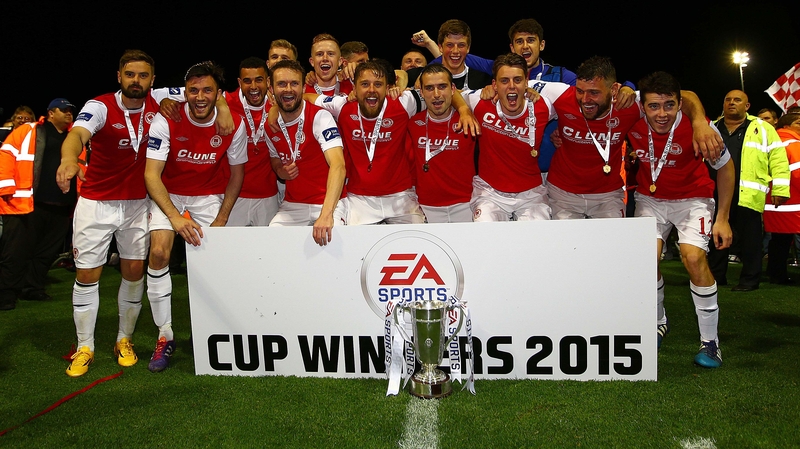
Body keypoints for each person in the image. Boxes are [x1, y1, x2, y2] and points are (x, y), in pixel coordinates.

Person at [55, 50, 189, 376]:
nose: (136, 81)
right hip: (97, 203)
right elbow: (77, 135)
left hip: (138, 203)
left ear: (152, 80)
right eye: (130, 75)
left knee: (133, 272)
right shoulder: (100, 106)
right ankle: (85, 345)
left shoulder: (160, 100)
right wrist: (69, 159)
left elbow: (211, 90)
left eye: (143, 76)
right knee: (87, 275)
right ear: (119, 76)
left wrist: (224, 108)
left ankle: (123, 339)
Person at [144, 61, 248, 372]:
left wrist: (221, 218)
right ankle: (165, 336)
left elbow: (236, 174)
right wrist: (175, 217)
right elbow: (151, 175)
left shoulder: (234, 123)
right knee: (160, 253)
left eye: (207, 91)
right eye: (193, 90)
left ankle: (216, 331)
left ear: (219, 95)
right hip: (169, 192)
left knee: (214, 261)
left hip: (208, 195)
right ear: (184, 92)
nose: (199, 96)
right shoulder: (167, 118)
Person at [627, 71, 735, 368]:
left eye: (669, 105)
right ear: (642, 105)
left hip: (693, 199)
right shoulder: (632, 118)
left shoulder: (699, 127)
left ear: (679, 104)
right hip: (651, 199)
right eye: (653, 106)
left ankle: (710, 342)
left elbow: (725, 169)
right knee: (646, 261)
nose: (661, 114)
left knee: (693, 259)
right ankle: (659, 322)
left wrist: (723, 217)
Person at [530, 56, 723, 220]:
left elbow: (684, 96)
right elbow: (514, 83)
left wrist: (699, 122)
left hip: (608, 196)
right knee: (566, 253)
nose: (585, 99)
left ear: (614, 89)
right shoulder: (562, 94)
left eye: (594, 93)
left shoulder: (628, 103)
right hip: (563, 193)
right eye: (580, 91)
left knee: (612, 256)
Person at [312, 60, 479, 224]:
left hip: (401, 196)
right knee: (356, 247)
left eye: (378, 84)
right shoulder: (342, 105)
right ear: (354, 88)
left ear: (387, 87)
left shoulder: (403, 102)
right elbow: (306, 97)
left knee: (419, 241)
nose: (371, 90)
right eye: (364, 84)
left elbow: (442, 90)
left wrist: (464, 110)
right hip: (359, 198)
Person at [706, 90, 790, 291]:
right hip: (715, 193)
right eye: (727, 100)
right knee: (715, 238)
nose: (731, 103)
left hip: (748, 194)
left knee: (751, 242)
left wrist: (780, 188)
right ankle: (716, 278)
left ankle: (749, 280)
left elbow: (778, 158)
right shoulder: (712, 128)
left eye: (737, 100)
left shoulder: (762, 128)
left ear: (747, 106)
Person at [0, 98, 76, 311]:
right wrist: (6, 189)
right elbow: (5, 155)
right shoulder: (29, 130)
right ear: (51, 113)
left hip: (61, 205)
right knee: (15, 251)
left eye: (71, 111)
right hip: (26, 203)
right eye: (64, 110)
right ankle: (6, 293)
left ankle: (32, 288)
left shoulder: (75, 137)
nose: (69, 114)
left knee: (45, 253)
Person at [461, 54, 555, 221]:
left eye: (517, 80)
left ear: (526, 82)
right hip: (490, 192)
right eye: (504, 81)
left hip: (531, 194)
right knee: (487, 238)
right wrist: (463, 110)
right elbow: (451, 94)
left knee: (538, 241)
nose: (511, 86)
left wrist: (561, 130)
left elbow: (578, 102)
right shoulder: (480, 101)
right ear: (494, 85)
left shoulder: (544, 106)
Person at [265, 60, 347, 245]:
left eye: (294, 83)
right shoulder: (270, 126)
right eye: (281, 84)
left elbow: (338, 165)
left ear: (303, 88)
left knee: (333, 242)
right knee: (273, 242)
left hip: (328, 202)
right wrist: (280, 170)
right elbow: (274, 157)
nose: (288, 89)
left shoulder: (320, 117)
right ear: (271, 89)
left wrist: (326, 215)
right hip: (293, 205)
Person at [406, 64, 477, 222]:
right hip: (426, 207)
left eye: (442, 87)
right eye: (430, 88)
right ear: (422, 92)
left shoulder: (469, 120)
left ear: (453, 89)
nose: (436, 94)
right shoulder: (412, 123)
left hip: (465, 205)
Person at [224, 57, 280, 226]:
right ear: (239, 82)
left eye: (259, 80)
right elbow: (189, 96)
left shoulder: (279, 105)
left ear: (268, 81)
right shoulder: (226, 102)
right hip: (234, 196)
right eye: (247, 81)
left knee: (267, 251)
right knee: (231, 251)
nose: (254, 87)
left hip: (268, 195)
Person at [764, 112, 800, 284]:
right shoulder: (793, 143)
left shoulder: (772, 142)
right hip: (792, 202)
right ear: (787, 126)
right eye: (798, 122)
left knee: (779, 240)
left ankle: (775, 272)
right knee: (783, 241)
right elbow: (798, 174)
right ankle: (778, 274)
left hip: (773, 202)